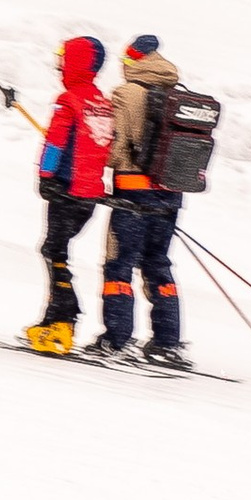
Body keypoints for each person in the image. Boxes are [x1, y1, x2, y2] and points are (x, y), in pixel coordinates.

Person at [91, 31, 189, 365]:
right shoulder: (178, 93)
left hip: (132, 195)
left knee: (119, 266)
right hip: (170, 196)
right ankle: (167, 341)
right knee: (158, 266)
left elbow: (116, 147)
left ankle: (116, 340)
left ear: (133, 61)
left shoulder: (127, 93)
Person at [27, 33, 113, 352]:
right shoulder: (101, 103)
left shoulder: (69, 100)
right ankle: (53, 318)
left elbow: (55, 143)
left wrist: (46, 175)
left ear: (75, 63)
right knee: (56, 250)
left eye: (63, 58)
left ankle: (63, 320)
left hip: (65, 191)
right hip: (89, 196)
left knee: (53, 251)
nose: (59, 65)